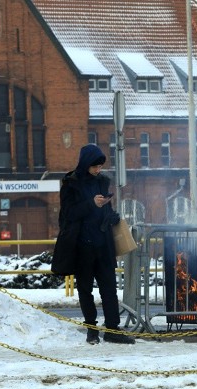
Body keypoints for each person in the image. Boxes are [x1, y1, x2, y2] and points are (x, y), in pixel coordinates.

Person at [51, 144, 134, 345]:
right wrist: (91, 204)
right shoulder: (71, 184)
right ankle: (92, 329)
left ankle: (113, 329)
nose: (98, 170)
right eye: (95, 166)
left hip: (103, 243)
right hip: (82, 246)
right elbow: (68, 214)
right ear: (86, 163)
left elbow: (104, 211)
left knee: (109, 288)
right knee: (85, 289)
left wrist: (111, 215)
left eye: (100, 166)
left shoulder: (102, 182)